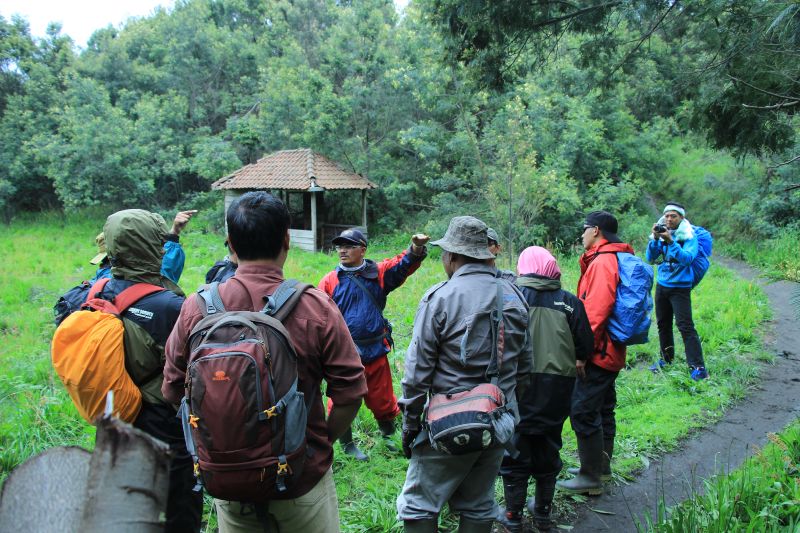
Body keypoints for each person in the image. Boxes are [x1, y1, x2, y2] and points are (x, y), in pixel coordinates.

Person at [163, 192, 367, 533]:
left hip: (228, 482)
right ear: (286, 240)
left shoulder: (196, 308)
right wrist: (316, 442)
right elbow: (351, 394)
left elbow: (171, 391)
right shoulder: (315, 305)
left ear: (230, 243)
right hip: (301, 479)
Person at [56, 209, 203, 532]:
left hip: (113, 417)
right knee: (178, 511)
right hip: (165, 430)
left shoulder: (87, 294)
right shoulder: (171, 307)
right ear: (153, 246)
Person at [396, 216, 530, 533]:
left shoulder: (440, 297)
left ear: (453, 256)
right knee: (480, 503)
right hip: (498, 420)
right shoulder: (515, 296)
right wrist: (505, 408)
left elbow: (417, 374)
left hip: (447, 424)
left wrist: (411, 424)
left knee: (419, 504)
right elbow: (525, 367)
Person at [497, 246, 593, 532]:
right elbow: (586, 346)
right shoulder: (570, 303)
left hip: (517, 385)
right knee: (549, 446)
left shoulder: (509, 296)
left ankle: (513, 517)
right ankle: (542, 515)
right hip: (557, 388)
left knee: (515, 448)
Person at [318, 228, 429, 460]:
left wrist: (416, 248)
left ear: (363, 249)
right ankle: (347, 445)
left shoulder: (376, 273)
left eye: (348, 246)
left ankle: (388, 437)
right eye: (340, 246)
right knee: (340, 399)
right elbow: (320, 316)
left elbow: (401, 265)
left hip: (375, 350)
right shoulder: (329, 281)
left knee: (383, 398)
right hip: (344, 355)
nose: (342, 250)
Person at [557, 211, 634, 496]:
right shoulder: (610, 257)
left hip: (599, 351)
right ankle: (600, 468)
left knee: (583, 410)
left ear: (596, 231)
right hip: (611, 349)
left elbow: (595, 313)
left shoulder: (603, 262)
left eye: (584, 229)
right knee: (603, 408)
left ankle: (590, 478)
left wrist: (582, 352)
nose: (581, 235)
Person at [645, 202, 708, 380]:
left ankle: (698, 367)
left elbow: (687, 259)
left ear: (681, 218)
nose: (669, 219)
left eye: (673, 216)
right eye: (667, 216)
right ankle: (666, 359)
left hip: (680, 288)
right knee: (663, 324)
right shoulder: (662, 232)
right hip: (663, 286)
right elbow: (650, 258)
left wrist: (671, 242)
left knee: (685, 326)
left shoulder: (689, 236)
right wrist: (656, 239)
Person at [89, 209, 197, 285]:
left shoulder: (96, 285)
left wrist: (174, 232)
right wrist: (174, 232)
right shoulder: (150, 281)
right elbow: (166, 271)